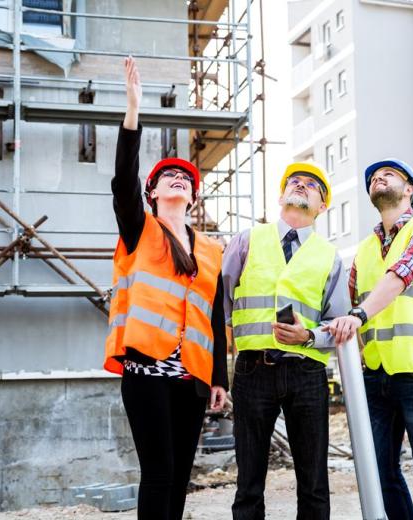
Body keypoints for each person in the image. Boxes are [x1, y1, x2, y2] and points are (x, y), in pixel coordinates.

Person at [104, 56, 228, 520]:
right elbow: (122, 181)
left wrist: (219, 378)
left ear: (193, 197)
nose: (178, 180)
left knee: (180, 476)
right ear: (152, 193)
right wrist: (133, 111)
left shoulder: (211, 250)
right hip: (147, 373)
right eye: (167, 177)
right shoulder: (141, 231)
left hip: (191, 379)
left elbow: (213, 318)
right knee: (158, 472)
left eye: (186, 179)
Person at [326, 159, 413, 520]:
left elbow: (402, 275)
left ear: (409, 189)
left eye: (389, 175)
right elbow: (347, 304)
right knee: (381, 472)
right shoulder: (364, 251)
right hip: (376, 374)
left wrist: (358, 315)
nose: (378, 179)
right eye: (373, 178)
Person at [223, 162, 349, 520]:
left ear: (323, 206)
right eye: (294, 181)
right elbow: (225, 302)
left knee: (313, 481)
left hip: (307, 373)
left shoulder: (329, 257)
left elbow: (337, 324)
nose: (300, 185)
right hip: (253, 370)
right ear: (281, 196)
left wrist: (309, 336)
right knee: (248, 482)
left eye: (311, 185)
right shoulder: (246, 241)